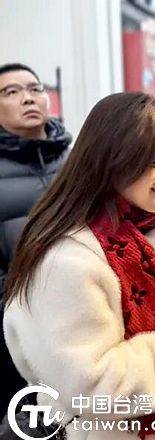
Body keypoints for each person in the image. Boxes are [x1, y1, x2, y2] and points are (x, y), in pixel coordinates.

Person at [3, 92, 155, 440]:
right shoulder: (67, 259)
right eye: (153, 161)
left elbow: (133, 318)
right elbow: (90, 387)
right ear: (111, 161)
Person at [0, 63, 72, 414]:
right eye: (11, 92)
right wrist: (16, 303)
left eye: (35, 88)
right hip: (16, 330)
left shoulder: (75, 161)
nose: (27, 98)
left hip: (81, 318)